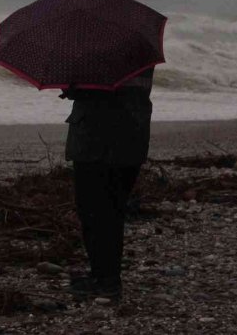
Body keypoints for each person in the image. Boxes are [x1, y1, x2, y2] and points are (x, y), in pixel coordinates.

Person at [60, 66, 154, 300]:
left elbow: (96, 92)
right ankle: (106, 276)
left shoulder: (92, 54)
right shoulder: (141, 48)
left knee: (92, 210)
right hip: (132, 136)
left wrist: (71, 87)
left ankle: (106, 280)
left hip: (95, 140)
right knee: (113, 210)